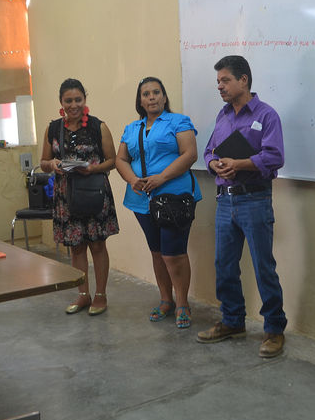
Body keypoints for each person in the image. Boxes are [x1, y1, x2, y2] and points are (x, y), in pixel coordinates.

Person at [197, 55, 287, 357]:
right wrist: (215, 164)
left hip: (255, 199)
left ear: (243, 80)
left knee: (263, 267)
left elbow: (275, 156)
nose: (220, 86)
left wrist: (240, 163)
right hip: (225, 199)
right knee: (224, 265)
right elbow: (209, 151)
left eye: (225, 80)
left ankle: (274, 329)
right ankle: (232, 321)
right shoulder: (223, 116)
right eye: (218, 81)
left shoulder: (266, 115)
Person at [115, 77, 202, 329]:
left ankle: (182, 303)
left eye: (156, 92)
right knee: (157, 252)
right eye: (146, 94)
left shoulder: (179, 122)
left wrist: (161, 178)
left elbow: (190, 154)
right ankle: (166, 300)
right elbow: (121, 159)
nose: (151, 97)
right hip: (141, 200)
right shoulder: (132, 128)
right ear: (140, 101)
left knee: (173, 253)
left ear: (164, 97)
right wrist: (132, 180)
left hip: (174, 198)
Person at [40, 79, 119, 316]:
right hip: (66, 195)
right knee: (75, 247)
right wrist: (52, 164)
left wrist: (92, 168)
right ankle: (83, 294)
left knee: (97, 244)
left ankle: (101, 295)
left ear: (85, 99)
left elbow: (112, 161)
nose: (73, 105)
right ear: (61, 102)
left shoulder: (98, 126)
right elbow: (43, 162)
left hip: (94, 191)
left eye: (78, 99)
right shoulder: (53, 128)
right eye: (68, 101)